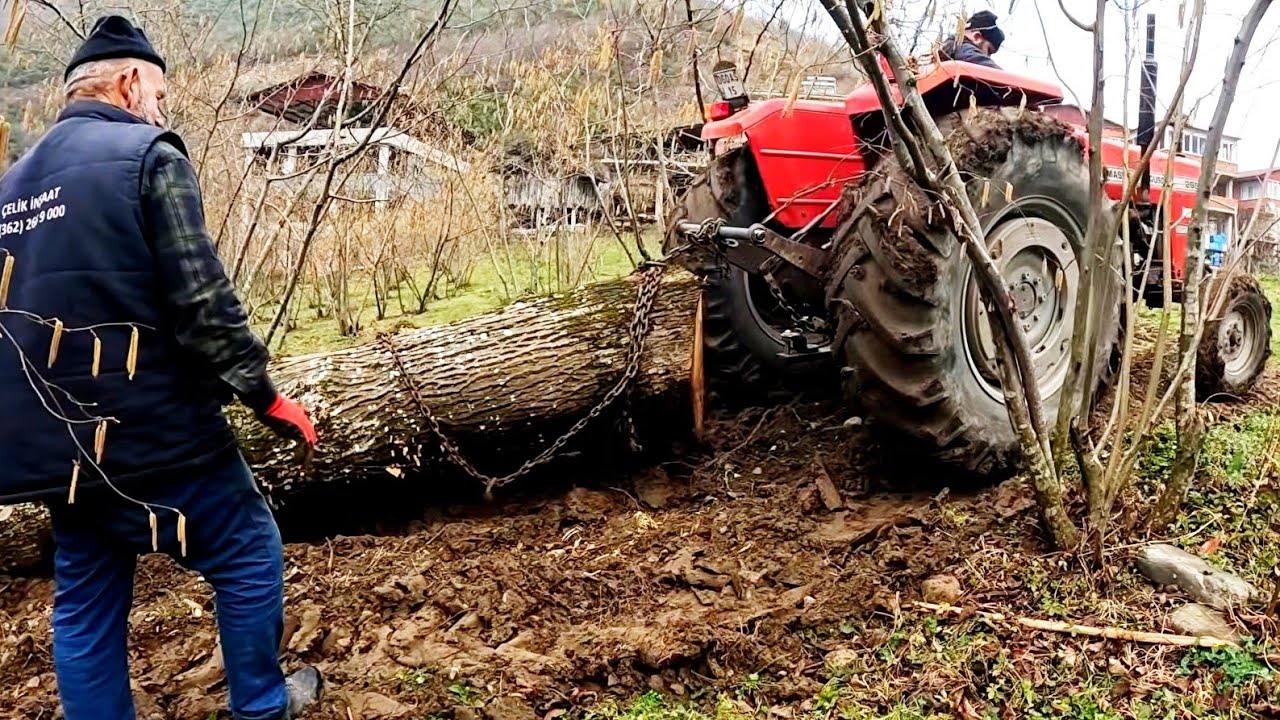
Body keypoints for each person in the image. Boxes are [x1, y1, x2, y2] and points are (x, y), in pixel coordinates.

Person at [0, 15, 324, 720]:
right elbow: (203, 300)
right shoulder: (146, 155)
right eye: (161, 95)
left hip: (59, 446)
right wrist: (265, 396)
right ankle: (262, 705)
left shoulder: (9, 188)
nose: (161, 109)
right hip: (156, 433)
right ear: (131, 80)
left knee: (85, 595)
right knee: (246, 552)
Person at [939, 10, 1005, 69]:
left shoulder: (944, 50)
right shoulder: (962, 49)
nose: (988, 57)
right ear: (977, 37)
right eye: (989, 50)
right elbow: (995, 73)